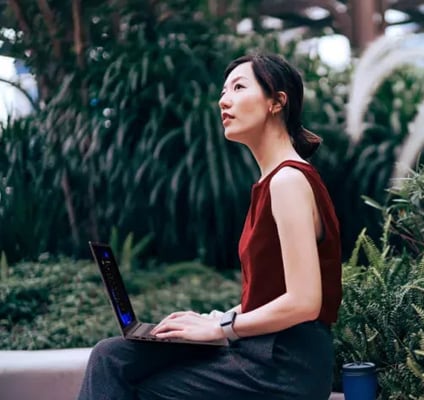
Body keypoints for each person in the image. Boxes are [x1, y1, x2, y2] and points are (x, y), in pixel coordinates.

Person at [77, 52, 342, 400]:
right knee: (113, 355)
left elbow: (305, 302)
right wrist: (208, 319)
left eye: (238, 87)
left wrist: (221, 328)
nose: (224, 100)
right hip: (264, 350)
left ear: (277, 102)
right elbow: (270, 294)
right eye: (223, 90)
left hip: (285, 365)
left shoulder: (288, 181)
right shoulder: (271, 182)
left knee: (140, 389)